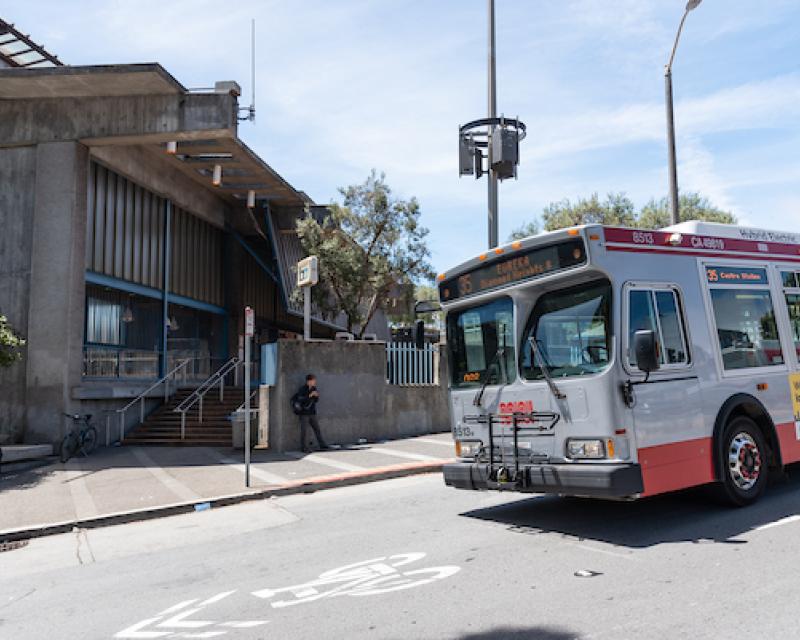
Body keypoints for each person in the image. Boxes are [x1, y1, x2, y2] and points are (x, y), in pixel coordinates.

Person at [294, 374, 329, 453]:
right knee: (304, 431)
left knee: (317, 429)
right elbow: (301, 400)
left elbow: (316, 400)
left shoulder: (314, 388)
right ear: (309, 381)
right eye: (313, 381)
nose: (314, 382)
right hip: (304, 413)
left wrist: (316, 396)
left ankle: (322, 444)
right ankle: (304, 447)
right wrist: (310, 395)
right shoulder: (302, 389)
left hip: (312, 412)